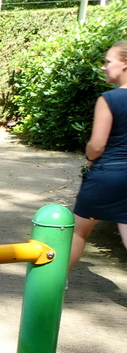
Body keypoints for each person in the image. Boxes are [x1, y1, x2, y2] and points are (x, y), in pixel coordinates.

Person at [69, 41, 127, 269]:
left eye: (108, 61)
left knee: (78, 232)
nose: (104, 67)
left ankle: (54, 287)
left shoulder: (109, 99)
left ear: (125, 63)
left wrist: (90, 161)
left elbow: (97, 145)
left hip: (108, 174)